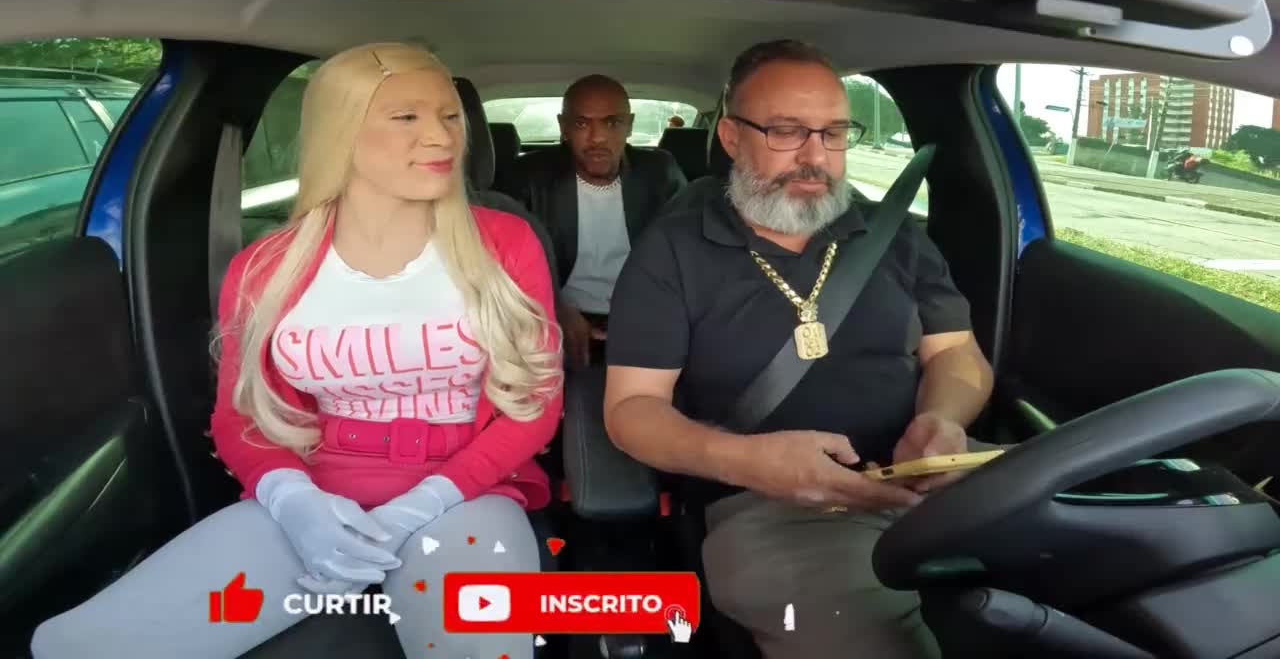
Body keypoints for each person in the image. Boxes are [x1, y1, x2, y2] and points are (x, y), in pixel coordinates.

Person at [30, 42, 563, 659]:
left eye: (449, 116)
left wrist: (426, 502)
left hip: (466, 492)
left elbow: (535, 404)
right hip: (316, 492)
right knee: (76, 645)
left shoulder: (504, 242)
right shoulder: (265, 267)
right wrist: (294, 500)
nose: (441, 136)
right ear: (341, 131)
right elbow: (242, 417)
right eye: (406, 117)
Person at [603, 39, 994, 658]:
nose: (816, 157)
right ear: (731, 137)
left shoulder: (894, 233)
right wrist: (748, 462)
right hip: (771, 508)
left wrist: (942, 420)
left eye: (833, 133)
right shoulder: (672, 252)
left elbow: (956, 354)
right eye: (787, 132)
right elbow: (630, 409)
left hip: (935, 483)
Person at [511, 74, 686, 367]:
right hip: (554, 319)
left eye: (612, 123)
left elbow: (687, 253)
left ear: (629, 125)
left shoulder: (659, 174)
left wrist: (651, 313)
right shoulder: (529, 177)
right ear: (563, 127)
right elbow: (507, 264)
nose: (597, 138)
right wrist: (553, 308)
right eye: (581, 124)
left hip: (646, 317)